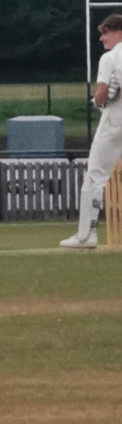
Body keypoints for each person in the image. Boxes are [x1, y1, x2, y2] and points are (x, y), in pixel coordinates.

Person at [61, 14, 122, 249]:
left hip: (115, 121)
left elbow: (103, 93)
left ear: (119, 33)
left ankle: (86, 235)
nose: (102, 38)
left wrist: (96, 102)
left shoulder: (110, 57)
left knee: (95, 176)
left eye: (106, 32)